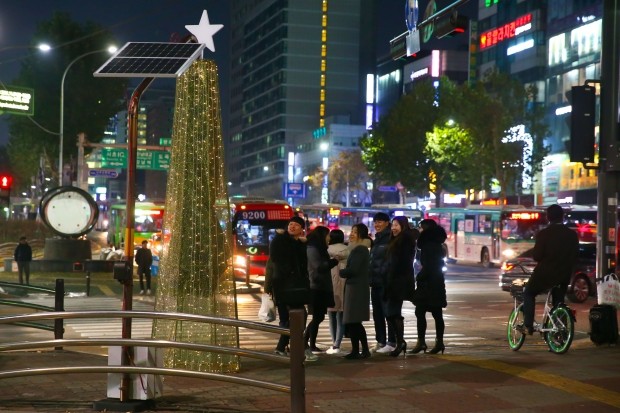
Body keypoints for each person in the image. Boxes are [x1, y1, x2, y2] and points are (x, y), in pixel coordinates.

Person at [521, 204, 579, 335]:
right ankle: (561, 334)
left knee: (529, 293)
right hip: (564, 274)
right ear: (562, 217)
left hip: (545, 274)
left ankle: (528, 325)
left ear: (548, 217)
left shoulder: (544, 234)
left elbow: (537, 256)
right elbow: (576, 255)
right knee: (559, 302)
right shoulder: (572, 234)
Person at [267, 216, 315, 361]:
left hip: (296, 286)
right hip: (284, 285)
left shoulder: (300, 244)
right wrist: (290, 273)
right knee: (298, 316)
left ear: (302, 229)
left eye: (296, 225)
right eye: (290, 224)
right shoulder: (280, 240)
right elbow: (276, 260)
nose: (292, 226)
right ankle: (301, 348)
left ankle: (282, 348)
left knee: (291, 318)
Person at [410, 218, 448, 355]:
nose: (420, 230)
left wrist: (420, 276)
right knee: (436, 314)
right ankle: (438, 342)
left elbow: (429, 265)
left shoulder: (428, 245)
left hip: (428, 283)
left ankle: (422, 342)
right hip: (436, 283)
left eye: (421, 228)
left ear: (426, 229)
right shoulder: (437, 244)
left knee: (421, 312)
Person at [385, 216, 418, 357]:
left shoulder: (404, 240)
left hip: (398, 281)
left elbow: (400, 263)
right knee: (391, 313)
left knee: (393, 312)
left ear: (403, 226)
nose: (393, 228)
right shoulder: (396, 240)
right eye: (392, 225)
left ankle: (400, 342)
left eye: (396, 225)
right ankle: (400, 342)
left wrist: (390, 279)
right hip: (395, 280)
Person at [340, 223, 372, 360]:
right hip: (356, 287)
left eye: (355, 232)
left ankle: (360, 350)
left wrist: (342, 271)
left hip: (356, 288)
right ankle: (360, 350)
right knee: (354, 321)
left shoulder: (360, 249)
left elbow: (354, 270)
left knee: (354, 321)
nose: (351, 234)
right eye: (352, 231)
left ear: (361, 234)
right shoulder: (357, 248)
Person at [304, 225, 338, 356]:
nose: (329, 238)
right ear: (322, 236)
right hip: (315, 287)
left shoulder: (318, 248)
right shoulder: (312, 249)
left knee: (318, 317)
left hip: (321, 286)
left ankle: (310, 343)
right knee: (318, 317)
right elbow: (319, 267)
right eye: (328, 235)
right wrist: (333, 262)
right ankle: (305, 342)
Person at [369, 212, 397, 353]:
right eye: (375, 222)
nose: (377, 224)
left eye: (380, 222)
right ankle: (381, 341)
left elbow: (389, 262)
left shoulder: (390, 239)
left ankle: (392, 342)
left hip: (385, 283)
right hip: (375, 282)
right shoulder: (377, 239)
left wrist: (383, 274)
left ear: (387, 223)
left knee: (388, 313)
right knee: (378, 314)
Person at [326, 229, 349, 354]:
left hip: (330, 284)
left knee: (331, 316)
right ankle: (337, 344)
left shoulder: (327, 250)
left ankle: (333, 342)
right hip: (344, 284)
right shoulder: (347, 250)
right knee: (341, 316)